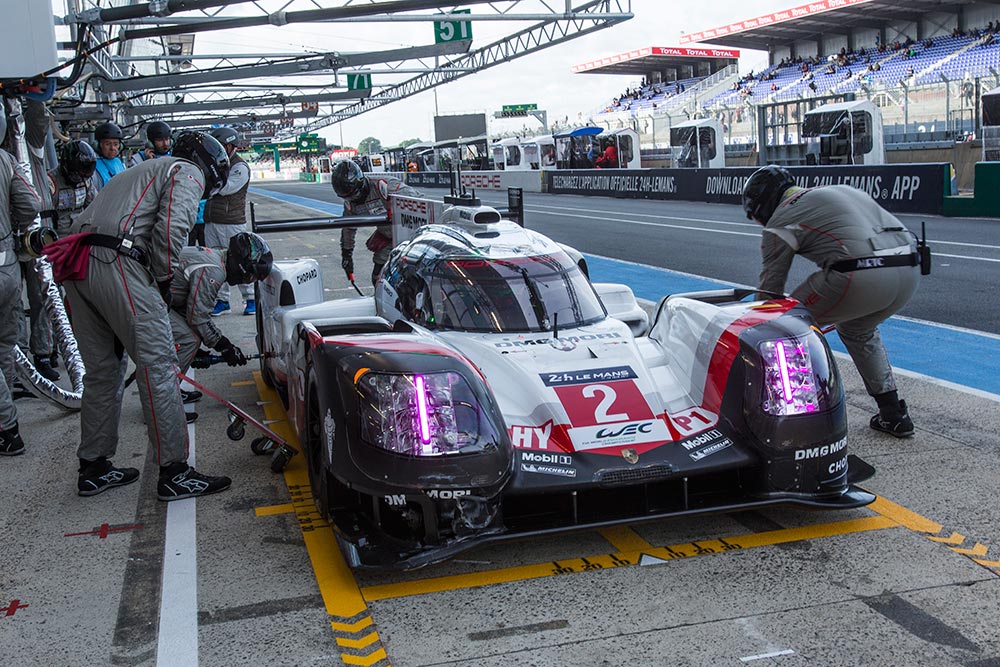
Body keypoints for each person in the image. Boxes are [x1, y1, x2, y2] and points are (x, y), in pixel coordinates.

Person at [60, 130, 233, 499]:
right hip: (120, 260)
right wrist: (164, 279)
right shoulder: (186, 170)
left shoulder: (138, 170)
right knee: (159, 366)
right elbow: (172, 229)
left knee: (103, 373)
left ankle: (94, 466)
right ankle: (175, 471)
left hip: (78, 267)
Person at [742, 165, 920, 438]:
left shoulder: (780, 218)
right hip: (910, 270)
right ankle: (893, 412)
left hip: (860, 273)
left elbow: (770, 287)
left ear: (763, 204)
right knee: (857, 330)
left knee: (782, 324)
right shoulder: (837, 190)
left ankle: (793, 412)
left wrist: (750, 328)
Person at [169, 233, 271, 385]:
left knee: (190, 341)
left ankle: (169, 388)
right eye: (250, 277)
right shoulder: (214, 270)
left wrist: (196, 352)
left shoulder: (216, 258)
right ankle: (168, 392)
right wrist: (225, 346)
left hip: (156, 296)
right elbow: (198, 317)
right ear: (242, 265)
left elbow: (187, 309)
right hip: (149, 299)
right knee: (188, 340)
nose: (248, 281)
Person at [0, 118, 42, 456]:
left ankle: (6, 429)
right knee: (5, 344)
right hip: (9, 269)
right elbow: (31, 205)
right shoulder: (7, 160)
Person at [332, 160, 421, 286]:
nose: (353, 200)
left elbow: (421, 205)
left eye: (354, 195)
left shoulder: (385, 186)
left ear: (361, 183)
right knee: (378, 278)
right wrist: (346, 254)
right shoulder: (350, 204)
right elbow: (348, 228)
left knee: (413, 277)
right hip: (388, 238)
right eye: (348, 197)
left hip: (412, 238)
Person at [204, 127, 255, 316]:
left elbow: (225, 188)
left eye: (220, 146)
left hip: (232, 222)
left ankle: (250, 298)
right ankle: (222, 300)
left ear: (229, 145)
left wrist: (208, 181)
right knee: (215, 263)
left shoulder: (239, 166)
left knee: (239, 259)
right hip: (212, 220)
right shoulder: (216, 164)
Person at [91, 121, 126, 192]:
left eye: (116, 144)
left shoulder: (120, 163)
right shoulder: (92, 167)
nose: (112, 148)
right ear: (98, 145)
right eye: (107, 144)